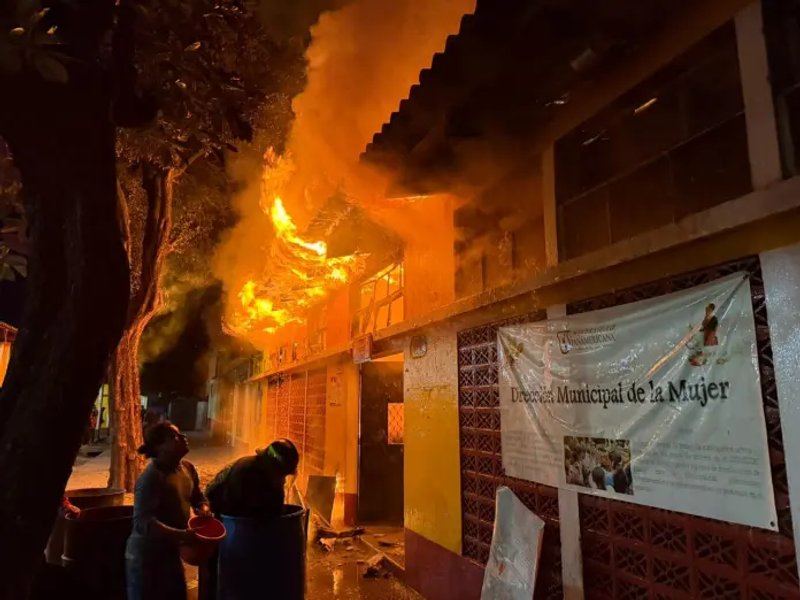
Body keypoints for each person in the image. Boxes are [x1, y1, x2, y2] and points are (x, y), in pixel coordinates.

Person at [125, 422, 210, 600]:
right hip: (146, 559)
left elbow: (198, 497)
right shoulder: (151, 478)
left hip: (171, 554)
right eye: (174, 437)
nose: (183, 438)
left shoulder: (187, 468)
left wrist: (204, 509)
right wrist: (182, 535)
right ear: (159, 447)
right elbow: (143, 523)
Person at [206, 438, 300, 519]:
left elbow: (276, 511)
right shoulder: (245, 474)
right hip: (227, 520)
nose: (283, 481)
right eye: (282, 476)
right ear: (271, 468)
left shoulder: (270, 479)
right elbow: (245, 517)